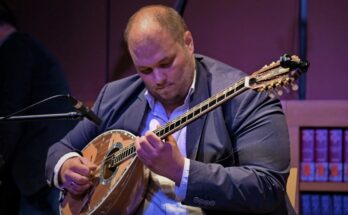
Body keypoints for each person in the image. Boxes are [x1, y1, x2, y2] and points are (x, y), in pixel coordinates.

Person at [45, 4, 295, 215]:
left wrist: (180, 170)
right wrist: (66, 167)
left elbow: (267, 187)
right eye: (145, 70)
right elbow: (60, 150)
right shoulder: (115, 96)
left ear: (188, 43)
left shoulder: (245, 95)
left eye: (166, 63)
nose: (158, 79)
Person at [0, 2, 77, 214]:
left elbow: (9, 115)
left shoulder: (15, 48)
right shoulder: (24, 47)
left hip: (44, 166)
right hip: (45, 164)